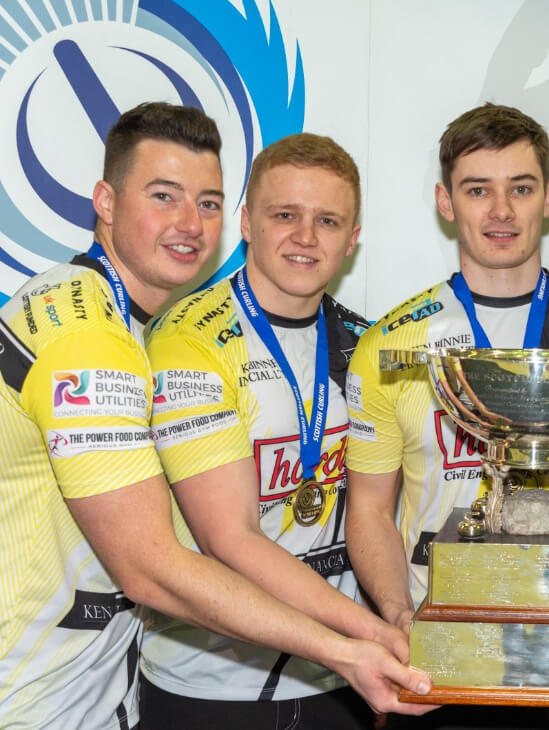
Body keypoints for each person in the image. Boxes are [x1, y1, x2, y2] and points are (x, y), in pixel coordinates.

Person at [0, 103, 429, 729]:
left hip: (79, 693)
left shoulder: (99, 316)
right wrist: (351, 650)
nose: (190, 224)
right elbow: (153, 568)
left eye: (207, 203)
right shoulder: (88, 336)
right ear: (106, 200)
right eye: (164, 196)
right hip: (20, 706)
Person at [344, 103, 549, 727]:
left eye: (520, 188)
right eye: (478, 190)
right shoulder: (391, 344)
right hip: (441, 662)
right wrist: (398, 615)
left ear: (548, 197)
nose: (500, 212)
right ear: (446, 202)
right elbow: (367, 508)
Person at [137, 132, 411, 728]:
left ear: (352, 240)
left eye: (328, 220)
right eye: (284, 214)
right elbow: (227, 539)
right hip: (210, 681)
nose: (305, 236)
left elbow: (376, 514)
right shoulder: (190, 338)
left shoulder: (367, 346)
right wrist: (371, 632)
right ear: (246, 223)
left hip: (338, 680)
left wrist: (399, 615)